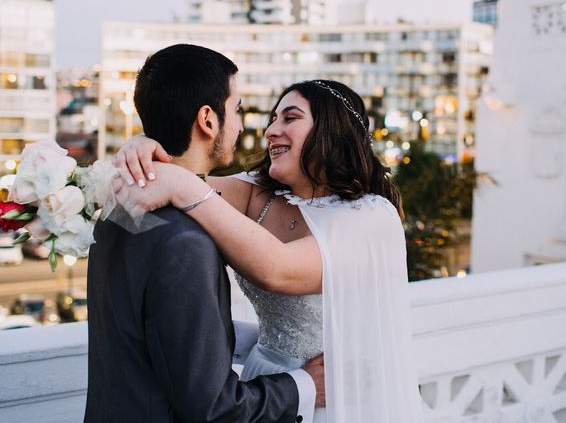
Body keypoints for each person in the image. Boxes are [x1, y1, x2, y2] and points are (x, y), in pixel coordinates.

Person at [116, 79, 424, 422]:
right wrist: (141, 147)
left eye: (289, 118)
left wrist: (178, 184)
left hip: (337, 399)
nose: (272, 131)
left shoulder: (369, 215)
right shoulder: (258, 195)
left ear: (331, 128)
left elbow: (278, 269)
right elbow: (174, 179)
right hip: (269, 385)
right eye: (272, 120)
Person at [85, 44, 323, 423]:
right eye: (238, 109)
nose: (244, 125)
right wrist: (304, 384)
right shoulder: (187, 241)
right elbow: (215, 409)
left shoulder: (118, 208)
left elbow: (161, 336)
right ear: (208, 120)